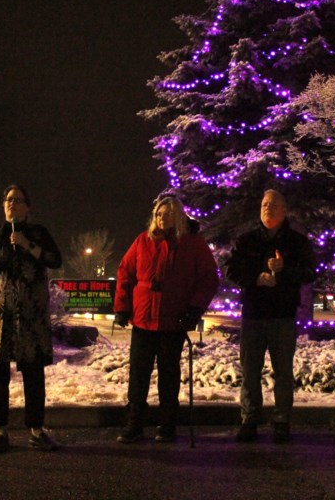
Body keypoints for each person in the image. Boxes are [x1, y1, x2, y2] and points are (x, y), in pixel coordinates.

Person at [0, 184, 63, 454]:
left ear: (27, 207)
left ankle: (36, 430)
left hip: (30, 319)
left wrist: (28, 246)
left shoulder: (37, 233)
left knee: (33, 373)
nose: (12, 204)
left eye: (18, 200)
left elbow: (55, 260)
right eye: (8, 200)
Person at [113, 195, 219, 444]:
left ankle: (168, 424)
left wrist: (194, 309)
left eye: (168, 214)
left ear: (179, 216)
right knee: (138, 375)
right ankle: (135, 422)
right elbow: (125, 272)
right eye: (159, 214)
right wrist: (122, 307)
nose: (162, 218)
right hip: (143, 320)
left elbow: (208, 278)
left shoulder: (192, 243)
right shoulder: (143, 241)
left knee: (169, 375)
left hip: (173, 321)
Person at [225, 189, 316, 444]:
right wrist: (256, 277)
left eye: (274, 205)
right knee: (250, 371)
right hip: (253, 315)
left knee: (283, 372)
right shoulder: (247, 241)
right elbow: (231, 269)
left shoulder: (297, 242)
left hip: (283, 316)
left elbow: (310, 272)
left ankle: (281, 420)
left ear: (283, 210)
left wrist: (284, 270)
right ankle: (250, 418)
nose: (268, 208)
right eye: (265, 204)